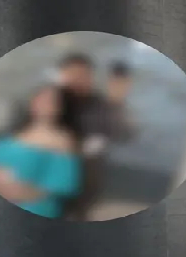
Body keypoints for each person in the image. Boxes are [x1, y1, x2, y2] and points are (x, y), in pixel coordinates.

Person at [0, 83, 82, 219]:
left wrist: (18, 192)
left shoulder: (62, 140)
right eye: (39, 98)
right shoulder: (10, 135)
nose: (43, 104)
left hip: (34, 206)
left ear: (60, 107)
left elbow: (63, 185)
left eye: (50, 101)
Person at [57, 54, 134, 220]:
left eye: (83, 76)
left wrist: (117, 104)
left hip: (86, 183)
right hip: (49, 179)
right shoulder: (48, 101)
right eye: (72, 75)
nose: (78, 81)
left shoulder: (102, 105)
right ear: (61, 76)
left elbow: (124, 136)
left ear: (91, 78)